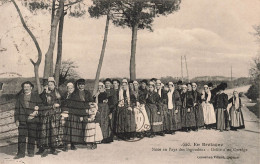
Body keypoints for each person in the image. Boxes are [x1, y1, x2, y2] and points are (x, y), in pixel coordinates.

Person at [14, 81, 42, 159]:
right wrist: (16, 119)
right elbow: (16, 109)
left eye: (27, 86)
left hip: (33, 119)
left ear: (31, 87)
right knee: (21, 136)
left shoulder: (35, 96)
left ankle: (30, 152)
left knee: (32, 136)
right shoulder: (20, 97)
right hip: (22, 120)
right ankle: (20, 153)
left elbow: (40, 106)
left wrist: (36, 112)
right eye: (24, 87)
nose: (26, 88)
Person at [66, 79, 94, 149]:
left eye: (83, 84)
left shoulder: (87, 93)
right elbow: (74, 103)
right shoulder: (75, 93)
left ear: (84, 85)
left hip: (85, 111)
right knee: (76, 126)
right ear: (78, 85)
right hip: (77, 111)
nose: (81, 86)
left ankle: (85, 141)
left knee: (85, 125)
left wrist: (88, 108)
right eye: (80, 84)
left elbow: (91, 102)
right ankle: (75, 141)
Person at [38, 77, 62, 157]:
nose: (50, 86)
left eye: (51, 85)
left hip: (55, 114)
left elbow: (61, 101)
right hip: (45, 114)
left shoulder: (57, 92)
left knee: (53, 131)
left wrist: (58, 104)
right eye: (49, 85)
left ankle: (53, 148)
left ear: (54, 85)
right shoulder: (44, 93)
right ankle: (43, 148)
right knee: (44, 130)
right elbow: (40, 101)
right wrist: (45, 93)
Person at [60, 82, 75, 152]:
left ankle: (72, 144)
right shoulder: (64, 95)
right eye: (69, 88)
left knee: (72, 129)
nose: (70, 89)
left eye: (71, 88)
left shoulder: (75, 95)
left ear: (73, 88)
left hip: (72, 113)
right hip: (64, 113)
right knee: (64, 128)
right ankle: (65, 144)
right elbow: (61, 103)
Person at [104, 78, 116, 142]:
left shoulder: (112, 91)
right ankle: (104, 136)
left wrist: (111, 111)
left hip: (110, 109)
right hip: (104, 109)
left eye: (108, 83)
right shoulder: (103, 90)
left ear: (110, 84)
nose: (107, 84)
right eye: (106, 83)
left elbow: (114, 101)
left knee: (111, 122)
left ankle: (110, 137)